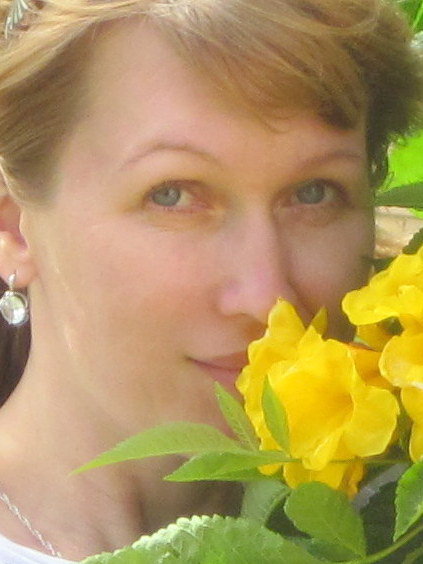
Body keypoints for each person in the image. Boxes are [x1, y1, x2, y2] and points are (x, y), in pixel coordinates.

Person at [0, 0, 420, 561]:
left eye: (313, 192)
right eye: (172, 195)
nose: (270, 298)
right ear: (14, 230)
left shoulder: (393, 527)